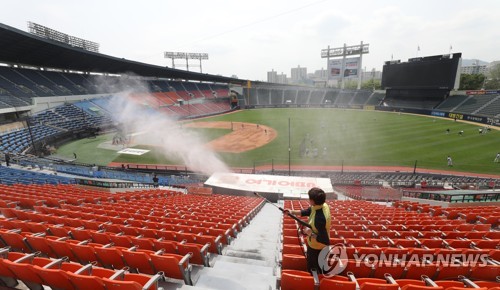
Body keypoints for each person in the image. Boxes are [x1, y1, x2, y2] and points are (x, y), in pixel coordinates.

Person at [284, 187, 331, 274]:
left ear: (313, 201)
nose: (309, 200)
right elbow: (308, 211)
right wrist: (291, 212)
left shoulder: (319, 219)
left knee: (315, 271)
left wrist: (310, 233)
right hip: (315, 246)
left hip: (317, 249)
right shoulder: (323, 205)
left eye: (310, 198)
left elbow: (325, 241)